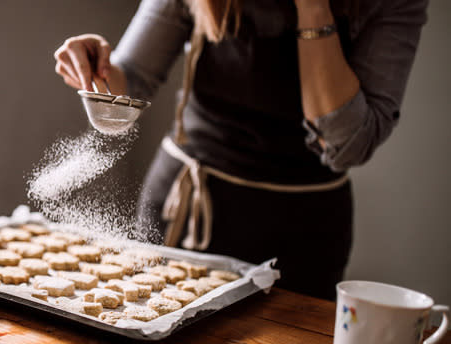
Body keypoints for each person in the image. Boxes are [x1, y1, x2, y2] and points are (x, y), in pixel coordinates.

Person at [53, 0, 428, 300]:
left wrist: (313, 9)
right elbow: (130, 84)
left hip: (304, 229)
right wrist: (97, 70)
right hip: (187, 207)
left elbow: (348, 146)